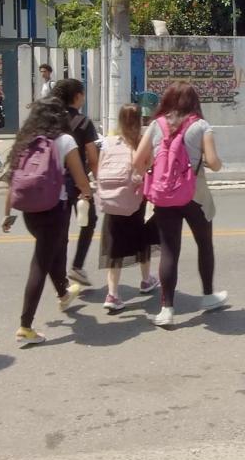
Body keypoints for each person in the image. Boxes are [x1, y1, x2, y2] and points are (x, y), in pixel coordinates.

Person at [131, 81, 228, 328]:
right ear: (194, 101)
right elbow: (214, 162)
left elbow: (137, 161)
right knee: (204, 244)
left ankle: (167, 309)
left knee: (169, 251)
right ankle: (208, 295)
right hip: (195, 196)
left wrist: (150, 171)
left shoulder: (156, 125)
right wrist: (215, 164)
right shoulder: (201, 125)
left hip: (164, 196)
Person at [2, 98, 94, 343]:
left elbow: (12, 182)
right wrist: (88, 194)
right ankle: (25, 326)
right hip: (54, 209)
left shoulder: (24, 141)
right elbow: (80, 178)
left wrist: (7, 213)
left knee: (52, 248)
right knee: (41, 263)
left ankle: (63, 292)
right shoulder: (65, 141)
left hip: (29, 211)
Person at [92, 104, 156, 313]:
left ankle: (112, 294)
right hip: (134, 201)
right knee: (142, 241)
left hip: (111, 203)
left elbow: (99, 170)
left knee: (113, 248)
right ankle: (146, 280)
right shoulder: (142, 143)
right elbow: (150, 166)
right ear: (139, 121)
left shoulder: (109, 143)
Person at [51, 79, 101, 288]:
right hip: (78, 183)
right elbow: (92, 158)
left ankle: (60, 280)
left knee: (60, 232)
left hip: (53, 183)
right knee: (89, 221)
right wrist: (97, 182)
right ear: (78, 96)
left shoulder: (51, 120)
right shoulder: (83, 122)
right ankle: (77, 266)